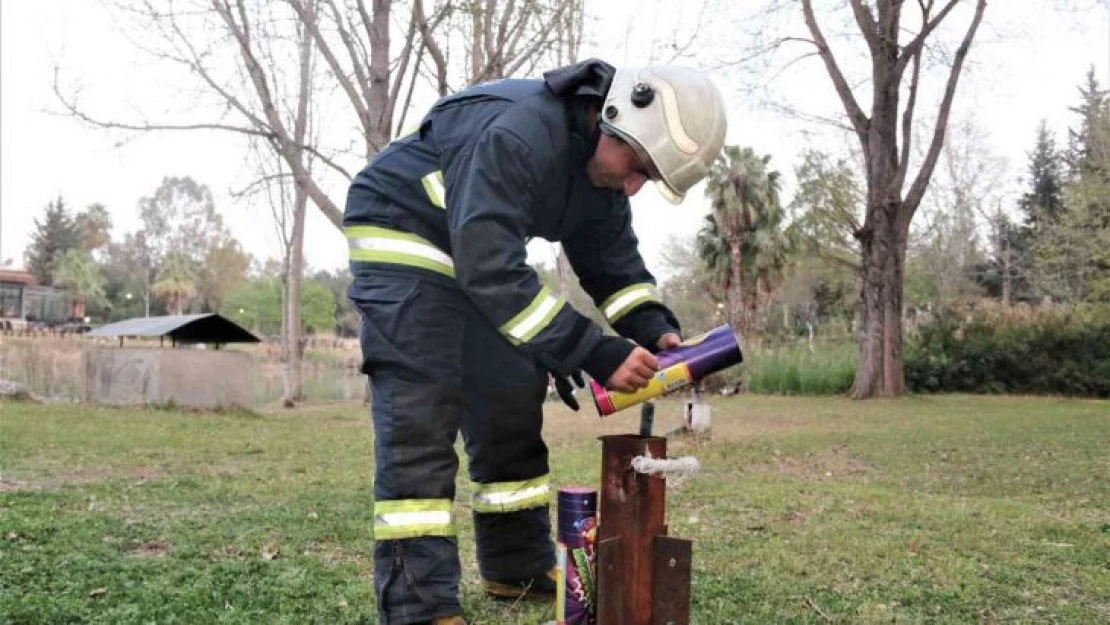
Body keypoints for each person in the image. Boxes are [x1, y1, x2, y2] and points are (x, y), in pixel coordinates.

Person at [343, 58, 727, 625]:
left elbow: (612, 262)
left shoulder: (599, 173)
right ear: (612, 118)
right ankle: (417, 604)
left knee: (511, 393)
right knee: (420, 414)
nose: (632, 185)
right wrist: (594, 352)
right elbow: (491, 269)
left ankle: (515, 568)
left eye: (647, 178)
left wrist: (654, 327)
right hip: (406, 241)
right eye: (638, 166)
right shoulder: (518, 133)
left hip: (475, 255)